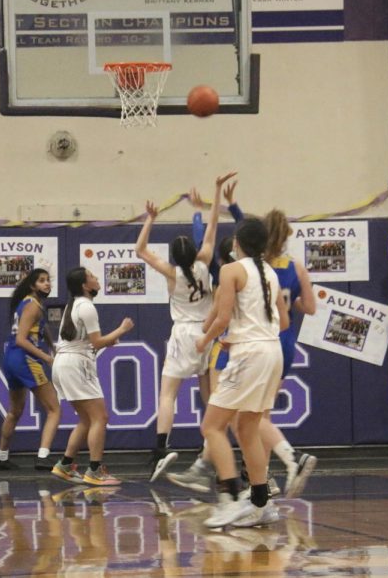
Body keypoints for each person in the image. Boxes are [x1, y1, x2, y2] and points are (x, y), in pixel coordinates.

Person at [136, 172, 236, 482]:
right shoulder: (205, 261)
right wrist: (216, 191)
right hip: (207, 333)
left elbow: (140, 250)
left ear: (174, 257)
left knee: (168, 395)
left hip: (182, 334)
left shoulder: (171, 272)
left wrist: (150, 218)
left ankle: (161, 448)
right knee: (211, 397)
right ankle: (211, 449)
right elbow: (213, 227)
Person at [195, 217, 290, 529]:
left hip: (249, 354)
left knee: (211, 427)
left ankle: (234, 499)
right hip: (272, 350)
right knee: (247, 428)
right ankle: (261, 502)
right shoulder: (271, 273)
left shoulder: (230, 269)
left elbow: (222, 318)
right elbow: (284, 322)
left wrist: (205, 340)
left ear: (237, 241)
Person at [50, 267, 134, 486]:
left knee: (87, 419)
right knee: (100, 417)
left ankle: (65, 465)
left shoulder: (74, 305)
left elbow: (86, 342)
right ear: (85, 286)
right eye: (93, 277)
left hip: (63, 363)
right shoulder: (87, 306)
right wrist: (121, 329)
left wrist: (108, 340)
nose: (97, 278)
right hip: (76, 366)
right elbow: (96, 342)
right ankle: (95, 470)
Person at [259, 208, 318, 497]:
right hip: (286, 341)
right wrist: (290, 301)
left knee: (253, 415)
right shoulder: (296, 267)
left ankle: (277, 467)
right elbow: (310, 308)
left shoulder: (255, 266)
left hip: (260, 342)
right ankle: (264, 479)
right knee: (263, 414)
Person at [0, 268, 61, 471]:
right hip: (25, 359)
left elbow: (42, 327)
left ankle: (2, 456)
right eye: (42, 281)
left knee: (14, 411)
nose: (47, 284)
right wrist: (47, 358)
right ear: (33, 285)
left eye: (48, 280)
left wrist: (52, 344)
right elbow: (21, 340)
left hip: (11, 359)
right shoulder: (33, 306)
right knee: (54, 409)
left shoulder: (30, 303)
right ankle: (43, 456)